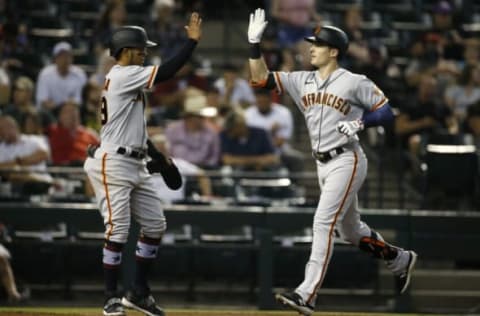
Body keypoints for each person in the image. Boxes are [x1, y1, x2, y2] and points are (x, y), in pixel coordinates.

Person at [246, 9, 417, 315]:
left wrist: (361, 123)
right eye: (312, 43)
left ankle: (306, 294)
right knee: (351, 231)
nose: (311, 47)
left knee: (323, 222)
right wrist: (254, 45)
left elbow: (387, 112)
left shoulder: (353, 81)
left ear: (334, 51)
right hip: (321, 164)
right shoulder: (301, 80)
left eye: (318, 44)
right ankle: (398, 258)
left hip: (346, 159)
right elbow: (260, 80)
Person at [83, 14, 201, 316]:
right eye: (140, 48)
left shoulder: (127, 80)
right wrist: (191, 42)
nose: (144, 52)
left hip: (132, 160)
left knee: (155, 225)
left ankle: (138, 293)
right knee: (118, 229)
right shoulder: (122, 73)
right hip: (113, 161)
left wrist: (158, 158)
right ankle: (110, 296)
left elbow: (136, 130)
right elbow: (169, 72)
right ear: (125, 50)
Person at [35, 41, 88, 112]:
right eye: (61, 56)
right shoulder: (45, 74)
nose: (64, 59)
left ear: (72, 58)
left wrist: (68, 105)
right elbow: (43, 100)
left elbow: (80, 100)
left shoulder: (80, 74)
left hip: (73, 112)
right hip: (51, 112)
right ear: (55, 58)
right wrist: (60, 107)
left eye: (67, 56)